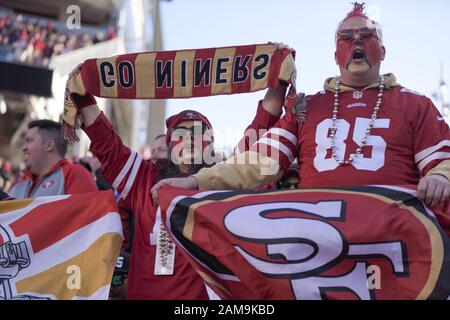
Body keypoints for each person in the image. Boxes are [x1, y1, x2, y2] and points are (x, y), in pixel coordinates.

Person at [152, 2, 450, 211]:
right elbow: (257, 162)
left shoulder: (415, 103)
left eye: (366, 35)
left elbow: (442, 160)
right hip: (322, 240)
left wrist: (439, 176)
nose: (356, 40)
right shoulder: (308, 106)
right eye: (347, 37)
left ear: (382, 50)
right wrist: (194, 181)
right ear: (336, 54)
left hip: (393, 233)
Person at [64, 62, 286, 299]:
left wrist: (279, 79)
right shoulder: (143, 177)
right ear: (170, 145)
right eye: (181, 134)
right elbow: (108, 145)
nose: (190, 140)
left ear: (210, 146)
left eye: (199, 134)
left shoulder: (222, 178)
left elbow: (261, 126)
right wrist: (84, 98)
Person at [8, 120, 97, 198]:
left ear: (49, 145)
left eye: (29, 140)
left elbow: (85, 215)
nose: (23, 148)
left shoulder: (75, 174)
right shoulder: (19, 183)